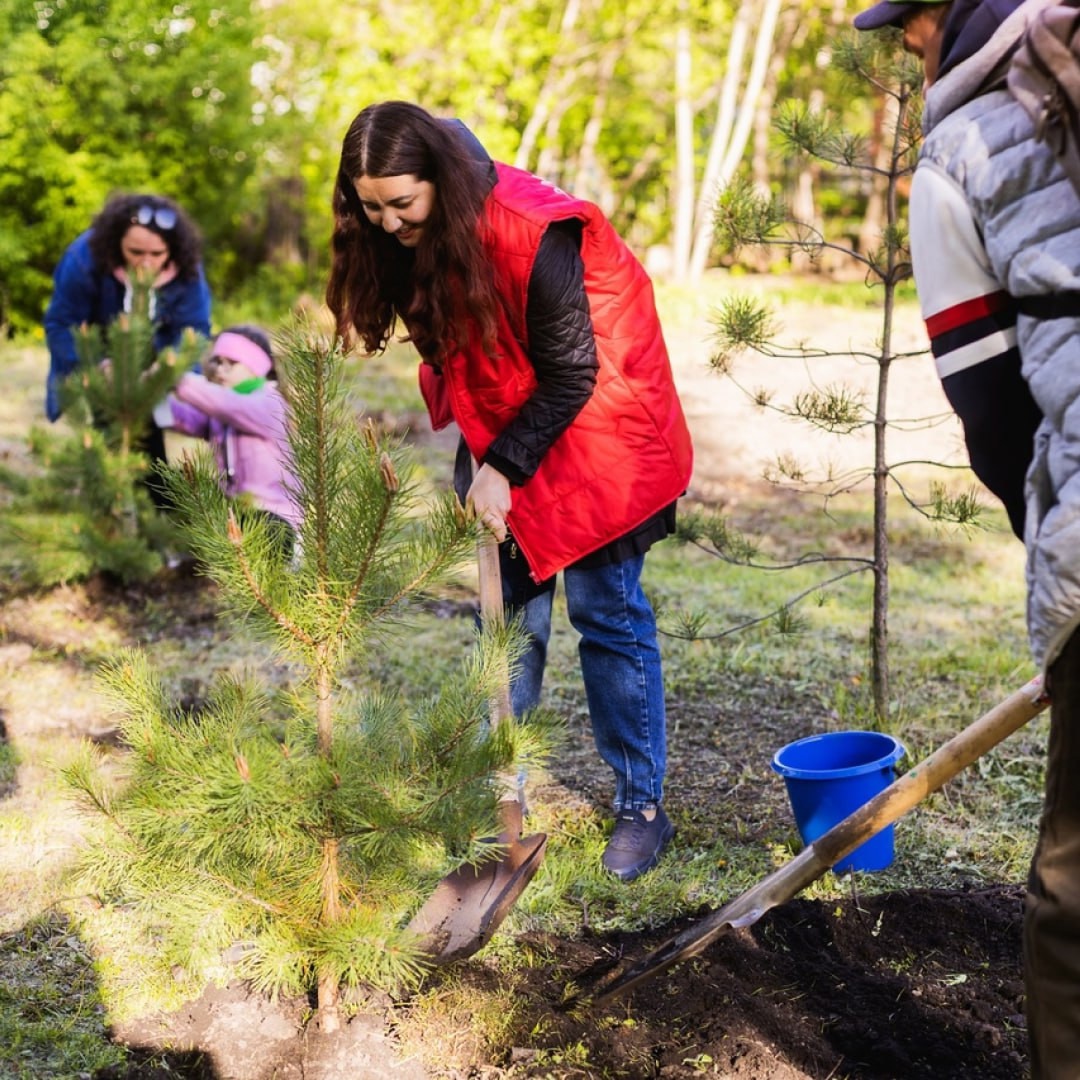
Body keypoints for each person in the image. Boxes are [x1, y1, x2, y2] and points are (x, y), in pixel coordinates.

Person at [326, 101, 694, 882]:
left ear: (440, 181)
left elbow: (573, 373)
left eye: (402, 203)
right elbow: (455, 349)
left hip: (603, 424)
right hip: (512, 419)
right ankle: (499, 804)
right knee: (506, 622)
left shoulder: (537, 232)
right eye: (371, 206)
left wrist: (504, 465)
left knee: (607, 613)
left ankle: (642, 808)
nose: (388, 223)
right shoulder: (401, 236)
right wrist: (483, 458)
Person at [854, 0, 1080, 1073]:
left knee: (1075, 896)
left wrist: (1055, 547)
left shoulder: (961, 149)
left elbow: (991, 407)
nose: (905, 49)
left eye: (906, 26)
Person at [43, 192, 213, 474]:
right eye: (135, 253)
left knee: (151, 449)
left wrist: (170, 366)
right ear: (115, 243)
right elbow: (61, 324)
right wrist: (97, 366)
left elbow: (194, 327)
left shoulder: (187, 267)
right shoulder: (83, 258)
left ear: (172, 249)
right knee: (106, 443)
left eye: (156, 254)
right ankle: (110, 497)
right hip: (100, 369)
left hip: (152, 373)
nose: (146, 263)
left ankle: (152, 505)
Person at [159, 326, 300, 548]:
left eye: (231, 363)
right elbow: (178, 417)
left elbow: (226, 404)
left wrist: (174, 374)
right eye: (218, 362)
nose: (219, 371)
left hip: (278, 521)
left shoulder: (269, 402)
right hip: (241, 516)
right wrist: (149, 391)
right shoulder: (222, 412)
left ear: (256, 366)